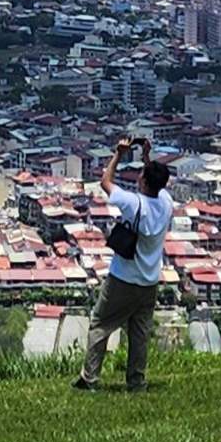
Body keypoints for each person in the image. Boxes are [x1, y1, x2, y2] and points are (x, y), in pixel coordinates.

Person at [73, 136, 174, 392]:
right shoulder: (166, 204)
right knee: (139, 334)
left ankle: (90, 378)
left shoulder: (133, 202)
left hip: (123, 278)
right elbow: (156, 185)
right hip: (149, 281)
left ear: (143, 180)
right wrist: (147, 157)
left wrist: (119, 154)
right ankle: (136, 382)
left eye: (142, 175)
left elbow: (105, 182)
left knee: (100, 324)